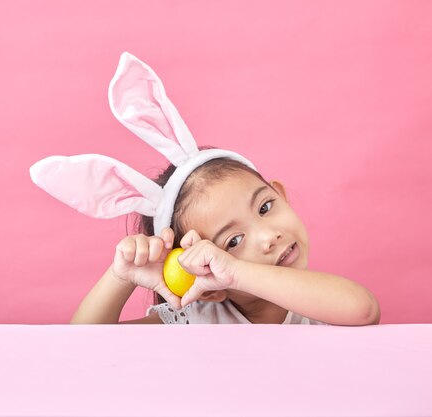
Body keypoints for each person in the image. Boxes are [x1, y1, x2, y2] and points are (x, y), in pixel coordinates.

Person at [30, 52, 381, 325]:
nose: (268, 236)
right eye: (232, 242)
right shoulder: (196, 323)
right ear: (199, 271)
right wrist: (120, 276)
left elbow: (364, 310)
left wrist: (237, 269)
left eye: (264, 207)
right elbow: (83, 347)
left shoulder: (320, 301)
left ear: (280, 194)